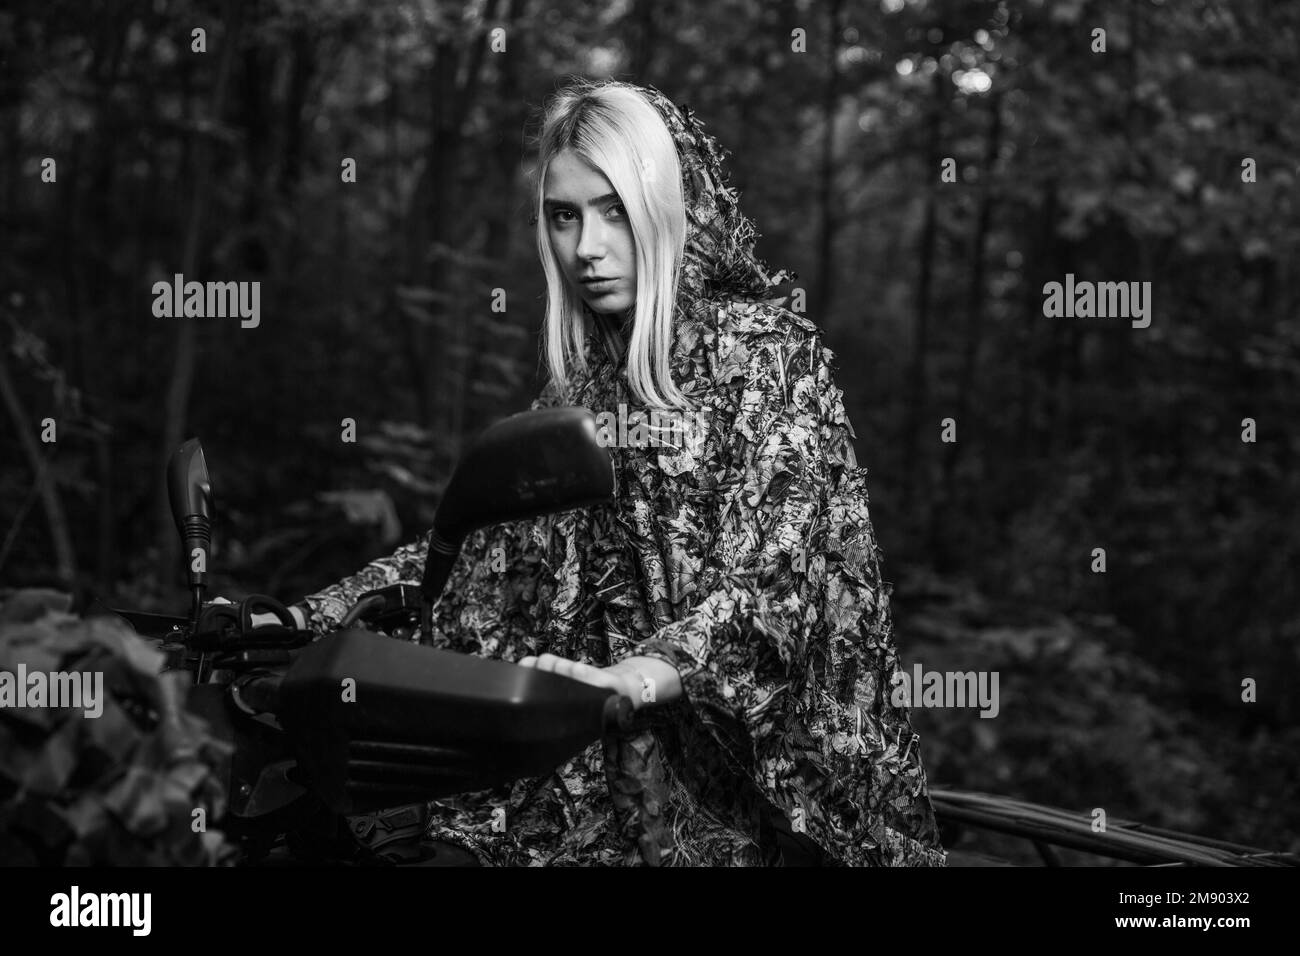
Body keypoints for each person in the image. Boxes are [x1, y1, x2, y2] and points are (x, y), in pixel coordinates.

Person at [290, 78, 947, 867]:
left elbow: (782, 586)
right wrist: (302, 623)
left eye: (613, 211)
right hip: (627, 789)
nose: (586, 248)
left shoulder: (767, 360)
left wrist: (642, 673)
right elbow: (476, 556)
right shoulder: (583, 390)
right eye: (564, 217)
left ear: (666, 208)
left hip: (786, 801)